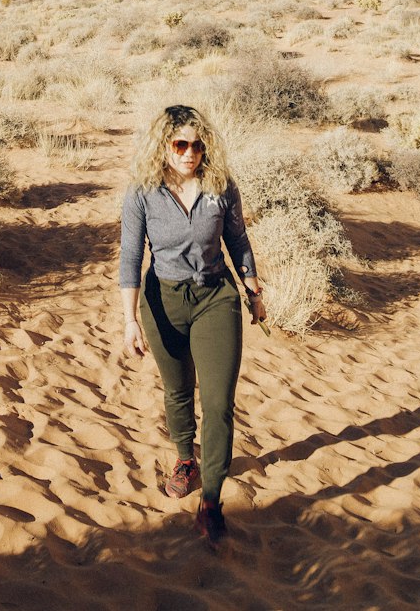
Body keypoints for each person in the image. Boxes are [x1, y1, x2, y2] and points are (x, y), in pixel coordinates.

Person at [119, 103, 267, 545]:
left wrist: (254, 292)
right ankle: (186, 459)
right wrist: (129, 320)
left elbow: (238, 240)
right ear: (163, 146)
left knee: (219, 401)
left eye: (197, 145)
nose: (189, 153)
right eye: (180, 144)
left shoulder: (221, 187)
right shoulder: (142, 192)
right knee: (178, 388)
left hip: (215, 298)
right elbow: (130, 256)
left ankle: (212, 502)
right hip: (161, 300)